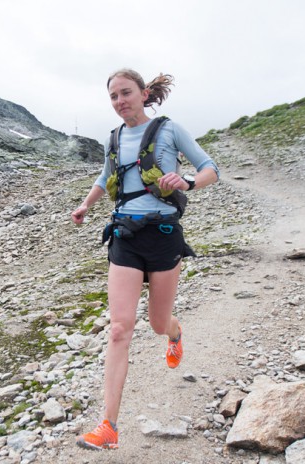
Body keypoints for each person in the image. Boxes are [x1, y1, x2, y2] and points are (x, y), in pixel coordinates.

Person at [71, 68, 219, 450]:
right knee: (119, 328)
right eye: (114, 97)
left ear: (144, 93)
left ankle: (175, 333)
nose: (120, 102)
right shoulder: (114, 138)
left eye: (126, 93)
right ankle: (108, 427)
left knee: (156, 324)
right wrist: (86, 205)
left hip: (164, 236)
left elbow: (210, 170)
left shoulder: (170, 130)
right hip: (124, 236)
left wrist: (187, 183)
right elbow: (106, 179)